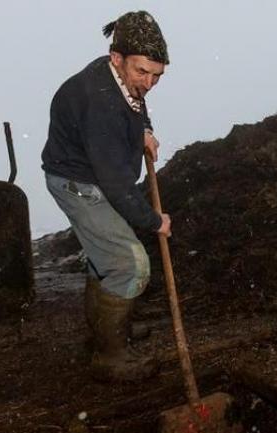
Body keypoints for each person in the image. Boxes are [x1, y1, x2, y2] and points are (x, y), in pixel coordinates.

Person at [41, 11, 171, 382]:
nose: (148, 83)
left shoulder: (118, 78)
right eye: (142, 72)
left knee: (107, 257)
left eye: (157, 75)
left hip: (89, 173)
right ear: (117, 57)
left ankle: (105, 331)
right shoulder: (99, 103)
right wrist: (154, 221)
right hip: (78, 184)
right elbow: (115, 187)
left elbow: (136, 103)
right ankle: (110, 356)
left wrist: (144, 130)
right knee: (130, 265)